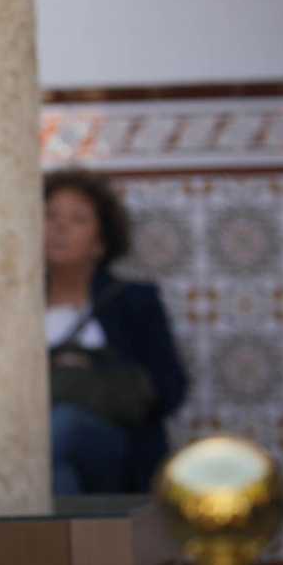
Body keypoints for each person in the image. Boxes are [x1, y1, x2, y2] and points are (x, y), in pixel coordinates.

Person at [44, 168, 186, 494]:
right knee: (61, 480)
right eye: (49, 214)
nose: (60, 227)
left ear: (100, 244)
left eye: (78, 219)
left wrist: (91, 378)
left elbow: (170, 389)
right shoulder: (15, 309)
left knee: (64, 422)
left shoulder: (133, 301)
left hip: (117, 452)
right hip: (55, 458)